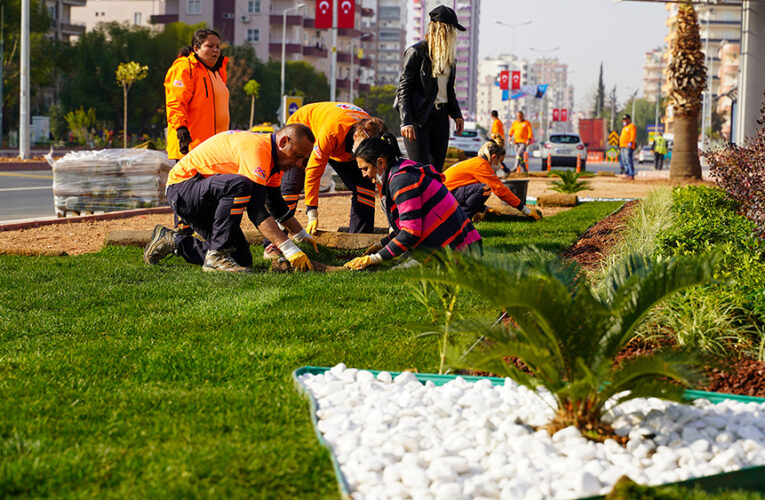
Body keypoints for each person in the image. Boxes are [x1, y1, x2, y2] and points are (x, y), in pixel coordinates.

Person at [142, 125, 318, 273]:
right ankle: (218, 255)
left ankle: (173, 241)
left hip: (202, 194)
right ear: (283, 142)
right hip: (183, 188)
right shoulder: (257, 150)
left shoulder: (274, 161)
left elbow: (275, 204)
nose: (298, 164)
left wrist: (302, 235)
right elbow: (256, 211)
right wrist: (289, 249)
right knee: (241, 185)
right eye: (298, 156)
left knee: (241, 260)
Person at [344, 134, 482, 271]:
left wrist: (375, 258)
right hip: (465, 248)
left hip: (459, 254)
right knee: (392, 262)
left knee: (388, 269)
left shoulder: (401, 181)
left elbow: (410, 232)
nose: (364, 175)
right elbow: (408, 227)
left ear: (380, 163)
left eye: (365, 169)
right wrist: (380, 245)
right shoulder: (401, 171)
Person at [270, 102, 387, 246]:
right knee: (291, 186)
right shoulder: (332, 131)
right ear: (356, 136)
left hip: (340, 144)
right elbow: (314, 170)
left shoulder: (372, 132)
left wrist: (389, 211)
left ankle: (359, 244)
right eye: (362, 152)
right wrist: (312, 211)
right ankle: (274, 244)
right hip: (306, 129)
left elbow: (380, 176)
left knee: (365, 185)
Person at [164, 29, 230, 234]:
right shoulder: (185, 69)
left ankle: (204, 232)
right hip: (191, 143)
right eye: (210, 46)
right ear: (196, 48)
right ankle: (182, 235)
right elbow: (175, 101)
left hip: (213, 146)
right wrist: (181, 129)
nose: (215, 50)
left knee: (210, 193)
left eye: (218, 46)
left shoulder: (216, 71)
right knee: (187, 191)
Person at [395, 5, 465, 173]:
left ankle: (432, 200)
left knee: (436, 171)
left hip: (440, 117)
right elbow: (403, 88)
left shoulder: (449, 59)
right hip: (418, 118)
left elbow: (449, 89)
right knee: (420, 170)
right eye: (452, 30)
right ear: (442, 29)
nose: (454, 35)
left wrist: (456, 115)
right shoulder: (416, 52)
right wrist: (406, 121)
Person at [443, 141, 543, 222]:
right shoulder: (482, 165)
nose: (500, 165)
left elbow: (467, 196)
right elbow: (500, 189)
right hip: (446, 196)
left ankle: (459, 218)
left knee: (481, 187)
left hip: (445, 195)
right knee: (485, 189)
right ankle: (460, 221)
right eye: (500, 161)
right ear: (494, 156)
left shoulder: (476, 162)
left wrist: (485, 209)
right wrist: (525, 210)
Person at [489, 110, 512, 177]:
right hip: (500, 142)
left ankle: (504, 170)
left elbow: (496, 133)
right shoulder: (499, 122)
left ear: (491, 116)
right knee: (498, 158)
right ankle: (503, 170)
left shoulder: (496, 123)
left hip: (497, 142)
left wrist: (493, 141)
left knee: (495, 158)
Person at [619, 114, 637, 180]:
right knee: (624, 161)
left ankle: (631, 174)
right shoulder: (624, 128)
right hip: (622, 146)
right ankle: (627, 173)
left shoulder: (631, 126)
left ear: (629, 119)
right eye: (623, 120)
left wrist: (631, 142)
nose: (624, 121)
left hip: (628, 146)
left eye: (626, 119)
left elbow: (633, 135)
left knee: (628, 160)